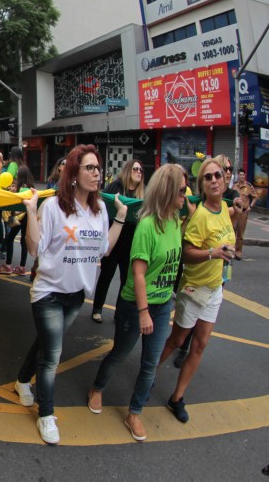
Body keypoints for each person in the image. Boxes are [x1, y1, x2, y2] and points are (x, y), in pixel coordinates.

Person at [15, 144, 126, 444]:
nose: (97, 173)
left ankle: (22, 380)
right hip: (49, 292)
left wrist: (121, 218)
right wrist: (30, 212)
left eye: (98, 168)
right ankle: (46, 414)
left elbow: (103, 248)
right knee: (52, 356)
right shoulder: (53, 207)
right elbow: (35, 249)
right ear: (73, 174)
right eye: (90, 168)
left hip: (76, 295)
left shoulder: (100, 209)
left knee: (46, 343)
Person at [86, 164, 185, 441]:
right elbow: (138, 274)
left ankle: (135, 412)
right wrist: (143, 312)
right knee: (120, 353)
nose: (185, 196)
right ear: (168, 191)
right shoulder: (146, 225)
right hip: (135, 305)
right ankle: (97, 388)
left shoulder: (176, 221)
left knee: (150, 364)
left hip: (163, 304)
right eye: (181, 190)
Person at [156, 157, 236, 424]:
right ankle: (148, 375)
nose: (214, 180)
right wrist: (213, 253)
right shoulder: (200, 215)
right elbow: (187, 254)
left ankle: (176, 398)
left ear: (225, 180)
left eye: (217, 176)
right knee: (177, 341)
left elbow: (231, 231)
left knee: (199, 345)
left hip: (214, 289)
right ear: (202, 184)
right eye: (207, 177)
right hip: (193, 289)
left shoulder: (225, 208)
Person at [91, 158, 145, 323]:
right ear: (128, 170)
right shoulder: (116, 186)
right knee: (106, 276)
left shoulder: (143, 193)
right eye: (135, 169)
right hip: (114, 240)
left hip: (130, 242)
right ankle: (97, 309)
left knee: (126, 280)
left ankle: (119, 312)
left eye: (141, 170)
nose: (139, 172)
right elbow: (102, 203)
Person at [0, 166, 34, 276]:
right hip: (28, 217)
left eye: (18, 174)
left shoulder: (22, 188)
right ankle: (22, 267)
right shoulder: (31, 187)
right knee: (23, 241)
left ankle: (8, 266)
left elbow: (18, 204)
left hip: (19, 217)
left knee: (9, 238)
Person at [232, 168, 256, 254]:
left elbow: (255, 197)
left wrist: (250, 206)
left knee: (240, 234)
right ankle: (231, 250)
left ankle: (238, 251)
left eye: (243, 175)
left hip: (243, 212)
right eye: (240, 174)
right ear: (238, 175)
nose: (242, 176)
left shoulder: (248, 186)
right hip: (234, 211)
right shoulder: (234, 186)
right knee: (232, 231)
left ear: (245, 176)